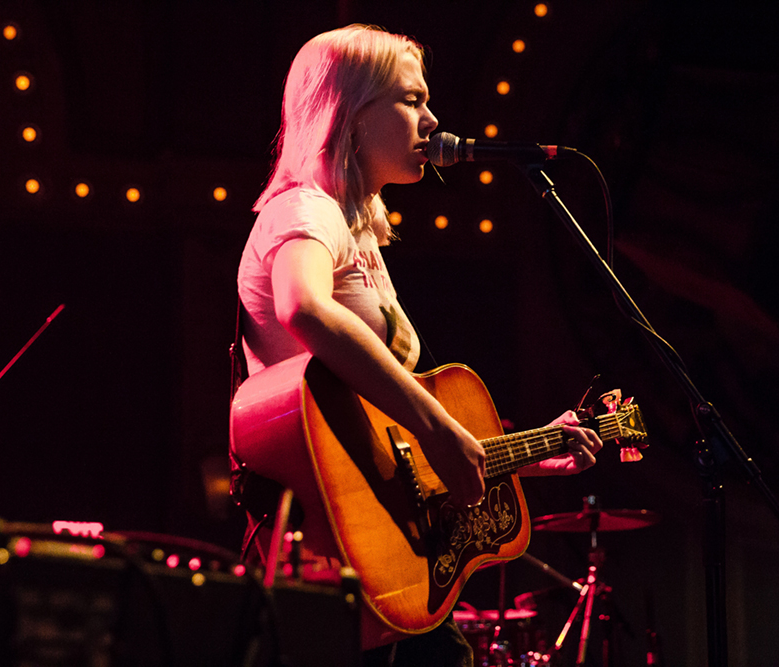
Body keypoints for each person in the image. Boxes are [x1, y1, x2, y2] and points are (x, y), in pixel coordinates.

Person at [235, 24, 603, 666]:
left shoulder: (355, 230)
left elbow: (387, 439)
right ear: (348, 113)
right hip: (331, 563)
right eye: (412, 100)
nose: (432, 121)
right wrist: (437, 426)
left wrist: (522, 454)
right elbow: (303, 306)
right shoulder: (306, 211)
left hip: (385, 558)